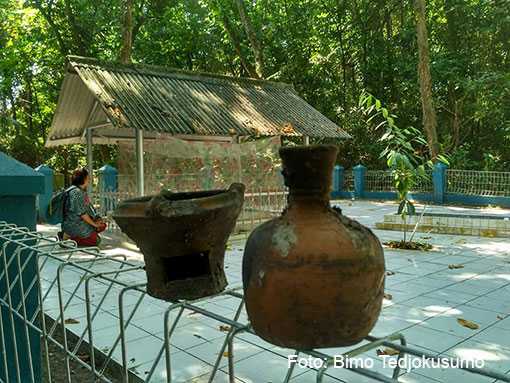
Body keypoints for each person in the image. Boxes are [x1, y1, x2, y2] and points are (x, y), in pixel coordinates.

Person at [61, 168, 106, 247]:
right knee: (96, 240)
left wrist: (97, 219)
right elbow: (82, 214)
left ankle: (73, 236)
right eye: (88, 177)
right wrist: (95, 225)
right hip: (75, 224)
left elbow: (88, 208)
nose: (89, 179)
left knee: (102, 225)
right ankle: (68, 237)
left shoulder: (79, 191)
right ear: (83, 178)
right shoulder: (77, 193)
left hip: (77, 222)